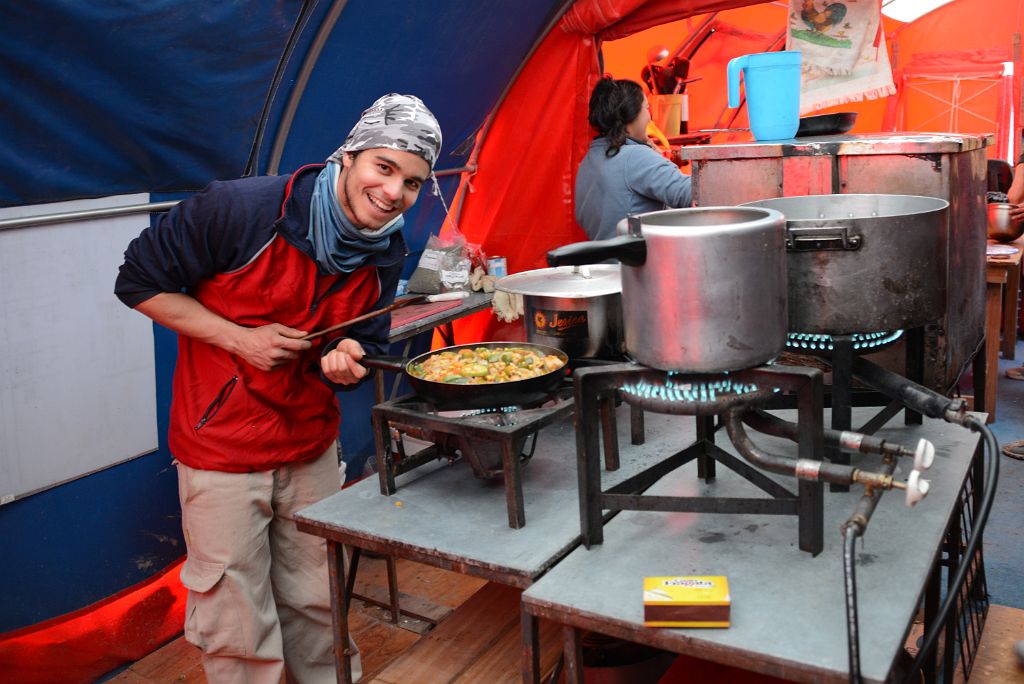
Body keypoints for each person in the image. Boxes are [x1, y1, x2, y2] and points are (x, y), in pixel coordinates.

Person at [115, 93, 442, 683]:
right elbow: (136, 282)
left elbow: (366, 338)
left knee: (319, 604)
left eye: (413, 182)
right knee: (237, 623)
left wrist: (350, 358)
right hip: (223, 449)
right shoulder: (240, 211)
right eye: (384, 167)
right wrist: (239, 340)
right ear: (348, 157)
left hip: (310, 446)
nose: (395, 193)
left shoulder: (384, 248)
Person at [574, 77, 693, 241]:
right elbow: (691, 194)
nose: (650, 118)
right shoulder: (635, 156)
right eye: (647, 108)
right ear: (631, 113)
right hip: (636, 263)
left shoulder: (588, 161)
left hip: (603, 262)